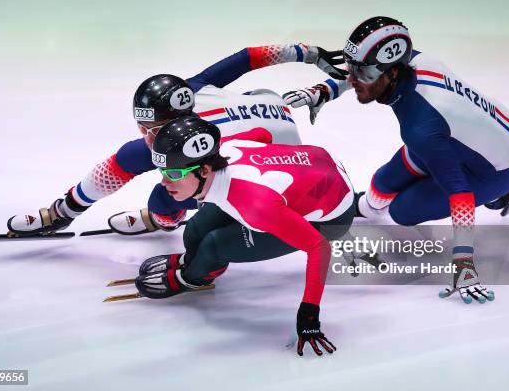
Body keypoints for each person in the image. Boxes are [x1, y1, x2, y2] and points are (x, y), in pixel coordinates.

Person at [284, 16, 509, 304]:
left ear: (393, 73)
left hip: (495, 171)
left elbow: (459, 192)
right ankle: (362, 207)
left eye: (364, 74)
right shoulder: (415, 63)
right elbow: (359, 73)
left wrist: (464, 264)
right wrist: (326, 89)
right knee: (381, 185)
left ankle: (496, 196)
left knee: (401, 211)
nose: (353, 80)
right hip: (490, 131)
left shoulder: (421, 127)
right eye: (354, 69)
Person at [7, 43, 347, 236]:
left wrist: (63, 211)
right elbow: (246, 57)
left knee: (163, 192)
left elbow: (117, 166)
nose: (145, 135)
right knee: (152, 165)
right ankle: (76, 211)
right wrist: (308, 53)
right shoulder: (192, 88)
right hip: (278, 123)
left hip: (274, 167)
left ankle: (163, 220)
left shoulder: (206, 144)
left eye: (150, 128)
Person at [134, 114, 355, 356]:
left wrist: (309, 314)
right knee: (195, 229)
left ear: (205, 170)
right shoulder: (225, 147)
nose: (165, 182)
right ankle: (190, 261)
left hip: (333, 215)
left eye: (174, 174)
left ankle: (194, 277)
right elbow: (263, 134)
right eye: (163, 172)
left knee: (214, 246)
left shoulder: (257, 207)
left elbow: (319, 247)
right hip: (317, 161)